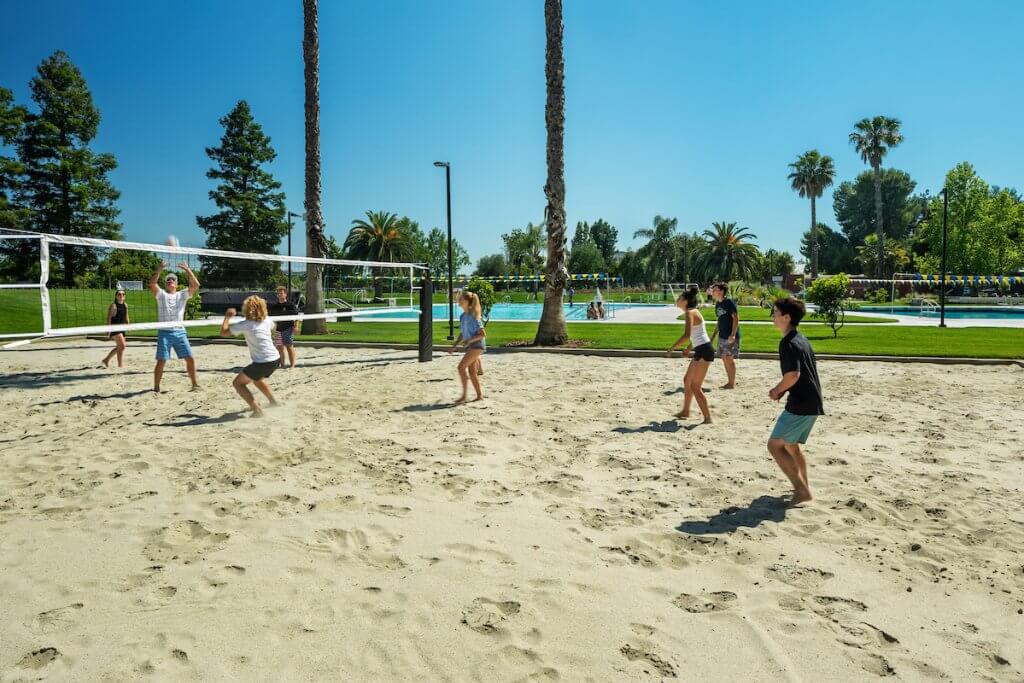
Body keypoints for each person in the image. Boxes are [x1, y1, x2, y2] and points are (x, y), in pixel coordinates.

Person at [767, 297, 825, 507]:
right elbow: (800, 375)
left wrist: (777, 390)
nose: (773, 316)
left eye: (775, 312)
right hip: (812, 401)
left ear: (787, 317)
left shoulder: (788, 343)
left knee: (774, 446)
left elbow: (793, 375)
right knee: (791, 446)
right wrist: (784, 390)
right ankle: (804, 487)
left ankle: (802, 491)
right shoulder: (800, 338)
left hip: (801, 404)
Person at [220, 295, 281, 417]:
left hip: (263, 362)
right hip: (275, 359)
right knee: (257, 379)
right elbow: (273, 327)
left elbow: (223, 333)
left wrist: (227, 317)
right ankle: (274, 402)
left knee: (238, 383)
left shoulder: (246, 324)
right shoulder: (267, 320)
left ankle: (257, 410)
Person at [149, 261, 200, 393]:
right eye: (168, 280)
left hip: (180, 332)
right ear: (166, 284)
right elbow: (153, 284)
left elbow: (196, 285)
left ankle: (195, 384)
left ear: (176, 284)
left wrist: (188, 270)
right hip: (165, 332)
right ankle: (156, 388)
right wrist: (159, 268)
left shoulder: (182, 295)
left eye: (173, 279)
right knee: (162, 361)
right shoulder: (161, 295)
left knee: (190, 358)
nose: (171, 280)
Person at [666, 286, 713, 424]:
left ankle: (708, 418)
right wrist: (688, 348)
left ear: (685, 301)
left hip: (704, 350)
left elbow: (687, 335)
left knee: (695, 386)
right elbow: (698, 335)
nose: (677, 299)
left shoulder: (690, 313)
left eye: (680, 298)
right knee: (687, 380)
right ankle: (686, 411)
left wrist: (672, 348)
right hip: (701, 349)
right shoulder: (693, 311)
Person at [448, 291, 486, 404]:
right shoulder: (462, 316)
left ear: (468, 303)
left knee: (460, 367)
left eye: (461, 300)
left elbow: (482, 334)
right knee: (472, 373)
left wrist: (470, 340)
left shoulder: (474, 316)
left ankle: (464, 396)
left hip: (477, 345)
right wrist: (454, 346)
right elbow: (462, 333)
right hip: (471, 346)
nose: (459, 301)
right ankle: (479, 395)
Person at [708, 282, 740, 389]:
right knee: (724, 358)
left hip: (730, 335)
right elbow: (719, 321)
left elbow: (735, 318)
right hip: (722, 336)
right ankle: (729, 382)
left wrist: (733, 334)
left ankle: (731, 383)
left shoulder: (728, 302)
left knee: (729, 358)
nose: (712, 291)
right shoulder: (718, 304)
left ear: (721, 291)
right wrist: (712, 337)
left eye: (715, 289)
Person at [269, 286, 301, 369]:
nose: (280, 295)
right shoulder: (275, 306)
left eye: (281, 293)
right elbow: (271, 318)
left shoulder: (290, 305)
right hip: (279, 329)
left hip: (288, 328)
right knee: (279, 347)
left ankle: (292, 365)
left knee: (289, 346)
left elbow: (297, 316)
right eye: (278, 293)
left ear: (285, 294)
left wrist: (296, 326)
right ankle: (282, 365)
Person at [101, 289, 129, 368]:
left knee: (121, 347)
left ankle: (106, 360)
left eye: (123, 294)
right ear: (116, 296)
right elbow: (109, 318)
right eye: (119, 294)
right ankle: (120, 365)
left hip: (122, 328)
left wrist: (128, 325)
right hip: (114, 328)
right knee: (122, 346)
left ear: (124, 296)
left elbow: (126, 316)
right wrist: (108, 329)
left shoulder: (125, 305)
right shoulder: (113, 306)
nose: (121, 296)